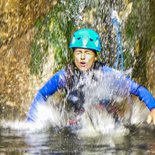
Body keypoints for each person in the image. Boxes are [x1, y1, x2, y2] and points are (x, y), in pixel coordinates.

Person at [27, 28, 155, 125]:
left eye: (87, 53)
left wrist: (153, 108)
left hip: (106, 123)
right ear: (74, 55)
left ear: (95, 57)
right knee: (74, 98)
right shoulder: (66, 75)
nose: (82, 57)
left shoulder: (107, 75)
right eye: (78, 53)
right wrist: (31, 122)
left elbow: (138, 90)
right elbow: (42, 93)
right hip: (77, 124)